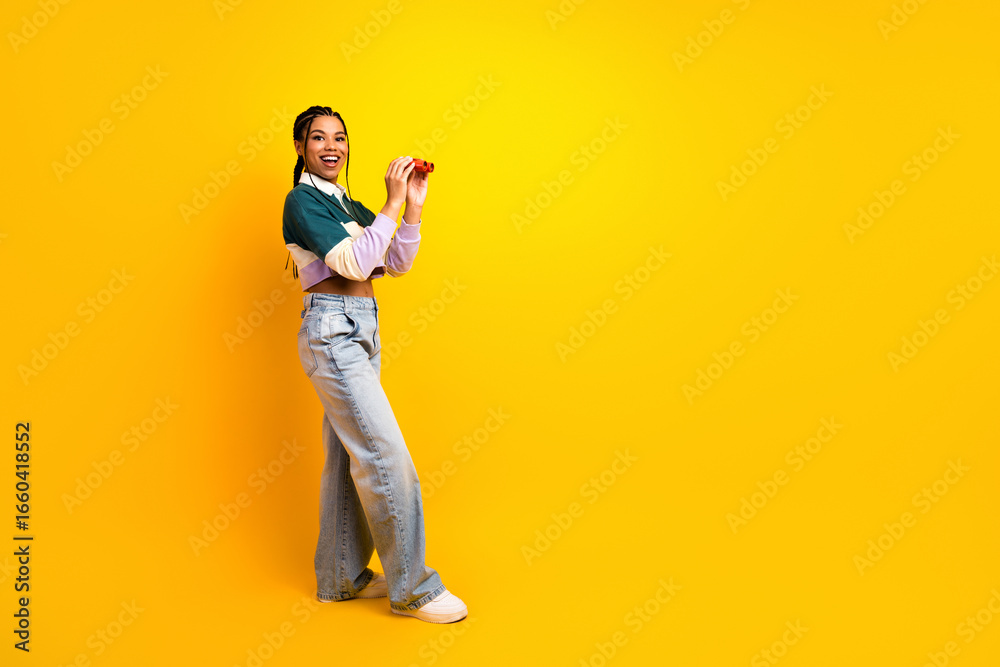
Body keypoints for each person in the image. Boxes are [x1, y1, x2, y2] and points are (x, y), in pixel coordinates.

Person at [282, 105, 467, 623]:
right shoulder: (301, 201)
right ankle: (414, 588)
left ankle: (342, 576)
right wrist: (388, 202)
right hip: (332, 331)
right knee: (385, 455)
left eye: (339, 137)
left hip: (362, 327)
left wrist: (410, 208)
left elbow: (394, 263)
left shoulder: (348, 204)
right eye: (317, 138)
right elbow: (354, 262)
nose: (331, 146)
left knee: (347, 456)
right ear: (300, 148)